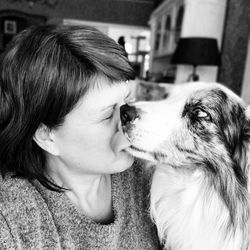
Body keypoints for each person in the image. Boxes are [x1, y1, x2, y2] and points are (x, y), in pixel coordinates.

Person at [0, 25, 160, 249]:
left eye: (126, 104)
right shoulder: (9, 218)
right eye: (107, 116)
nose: (130, 126)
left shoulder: (151, 178)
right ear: (46, 136)